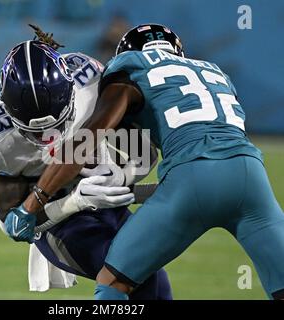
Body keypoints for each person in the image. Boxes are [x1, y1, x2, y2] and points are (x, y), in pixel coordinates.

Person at [22, 23, 284, 300]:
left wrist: (35, 201)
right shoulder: (214, 71)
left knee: (113, 282)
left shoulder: (129, 66)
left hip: (192, 178)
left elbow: (89, 136)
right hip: (251, 177)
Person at [0, 28, 172, 299]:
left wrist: (122, 177)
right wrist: (75, 201)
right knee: (134, 272)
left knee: (154, 277)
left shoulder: (89, 78)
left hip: (107, 202)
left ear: (70, 90)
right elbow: (15, 225)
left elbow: (142, 153)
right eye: (35, 133)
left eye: (58, 122)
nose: (48, 137)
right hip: (58, 222)